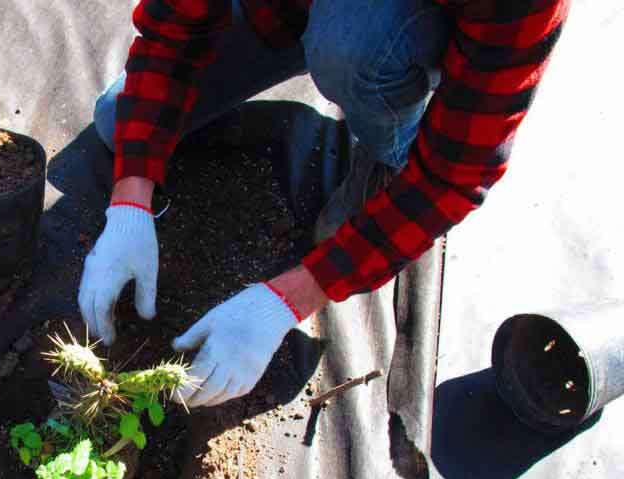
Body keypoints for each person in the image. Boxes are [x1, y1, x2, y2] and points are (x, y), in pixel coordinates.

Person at [80, 0, 569, 407]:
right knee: (117, 121)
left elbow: (456, 172)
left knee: (352, 47)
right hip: (284, 9)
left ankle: (389, 149)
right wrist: (130, 202)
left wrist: (286, 299)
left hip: (387, 33)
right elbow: (173, 27)